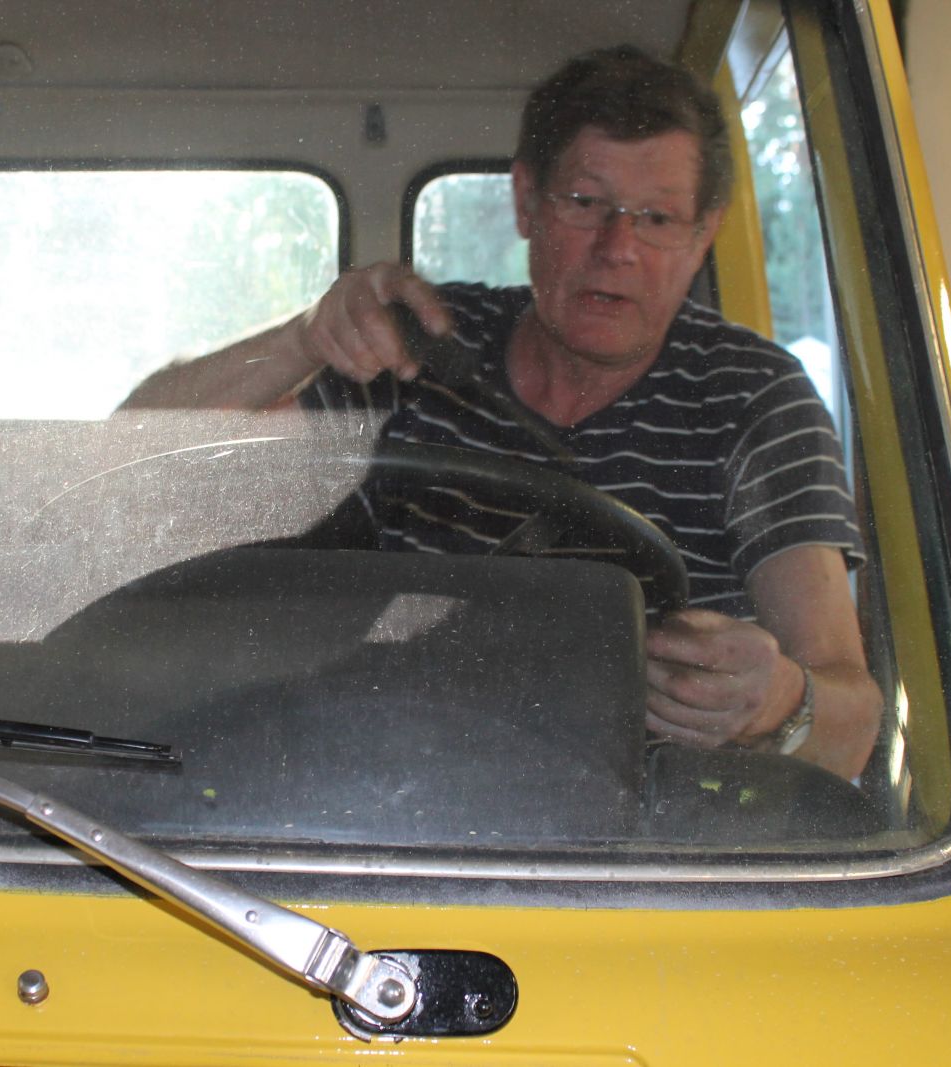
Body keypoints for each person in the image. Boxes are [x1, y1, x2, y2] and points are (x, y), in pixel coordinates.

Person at [123, 45, 882, 781]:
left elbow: (850, 728)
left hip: (646, 829)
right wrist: (303, 338)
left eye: (656, 217)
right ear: (526, 202)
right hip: (386, 782)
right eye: (585, 203)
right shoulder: (426, 345)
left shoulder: (755, 397)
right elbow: (132, 464)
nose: (617, 247)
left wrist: (780, 702)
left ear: (702, 233)